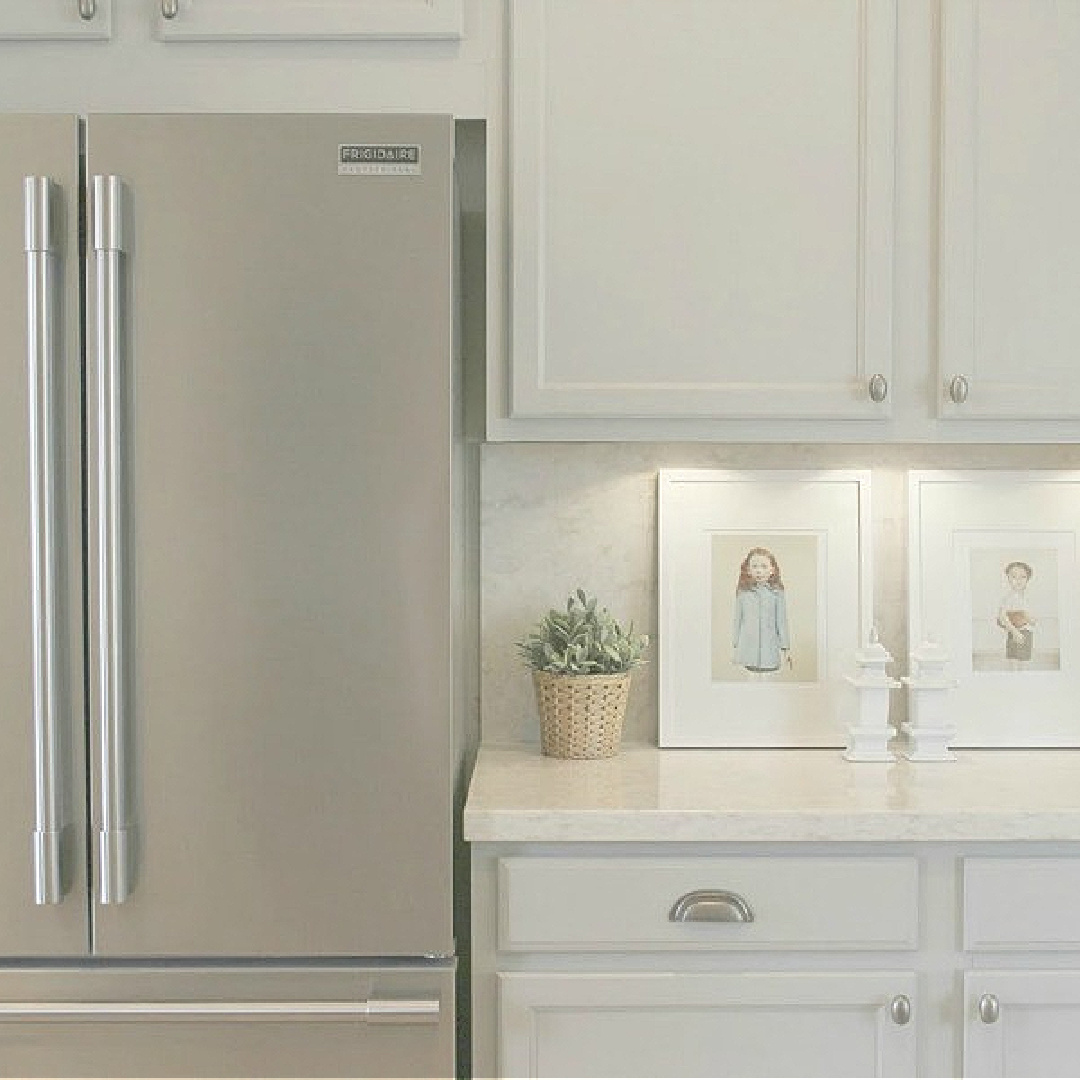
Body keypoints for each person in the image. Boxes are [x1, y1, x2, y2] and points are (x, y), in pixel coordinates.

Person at [732, 547, 792, 675]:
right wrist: (735, 645)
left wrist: (786, 648)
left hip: (769, 651)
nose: (759, 571)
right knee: (750, 681)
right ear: (748, 570)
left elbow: (781, 622)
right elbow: (737, 620)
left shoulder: (777, 593)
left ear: (772, 570)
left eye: (764, 567)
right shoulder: (743, 593)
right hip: (748, 651)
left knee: (769, 682)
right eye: (755, 566)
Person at [996, 560, 1035, 665]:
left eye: (1023, 577)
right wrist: (1014, 632)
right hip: (1015, 632)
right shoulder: (1009, 598)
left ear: (1028, 579)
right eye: (1014, 577)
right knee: (1014, 661)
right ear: (1008, 579)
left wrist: (1030, 619)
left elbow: (1032, 620)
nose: (1018, 580)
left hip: (1027, 633)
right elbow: (1002, 617)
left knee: (1024, 661)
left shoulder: (1027, 598)